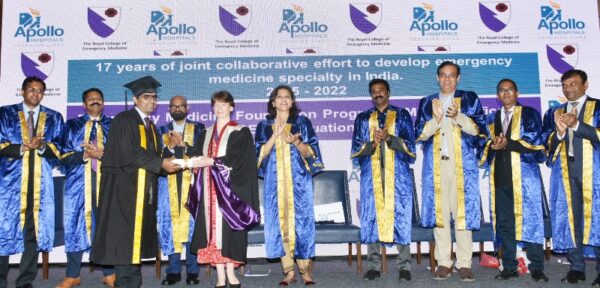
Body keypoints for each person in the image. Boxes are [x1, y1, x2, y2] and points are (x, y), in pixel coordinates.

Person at [91, 76, 180, 288]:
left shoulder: (149, 126)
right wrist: (161, 163)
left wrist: (170, 153)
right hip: (124, 193)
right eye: (146, 97)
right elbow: (128, 153)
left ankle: (133, 284)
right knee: (124, 245)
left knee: (134, 246)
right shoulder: (124, 120)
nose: (152, 101)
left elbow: (154, 157)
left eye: (155, 98)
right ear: (135, 99)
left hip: (141, 195)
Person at [415, 61, 485, 282]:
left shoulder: (470, 99)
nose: (447, 79)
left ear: (458, 78)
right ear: (437, 78)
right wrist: (435, 120)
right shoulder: (427, 102)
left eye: (452, 75)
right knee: (441, 216)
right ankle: (444, 262)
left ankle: (464, 263)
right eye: (443, 75)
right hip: (436, 167)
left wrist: (458, 117)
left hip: (462, 166)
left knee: (463, 215)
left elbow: (479, 131)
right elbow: (419, 135)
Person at [187, 90, 260, 288]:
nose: (219, 109)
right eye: (215, 105)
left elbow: (237, 159)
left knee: (230, 230)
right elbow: (194, 154)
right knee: (211, 232)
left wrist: (210, 161)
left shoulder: (240, 131)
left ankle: (230, 271)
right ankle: (220, 275)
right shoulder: (205, 133)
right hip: (208, 190)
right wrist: (184, 154)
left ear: (231, 107)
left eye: (223, 105)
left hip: (229, 192)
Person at [479, 79, 548, 282]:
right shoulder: (491, 118)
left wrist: (508, 143)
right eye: (501, 90)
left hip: (525, 179)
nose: (506, 93)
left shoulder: (529, 114)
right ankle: (509, 266)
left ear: (517, 93)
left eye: (509, 89)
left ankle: (537, 266)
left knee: (532, 222)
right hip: (500, 179)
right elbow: (482, 146)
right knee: (505, 225)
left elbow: (536, 142)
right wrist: (493, 145)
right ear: (497, 95)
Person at [255, 85, 324, 286]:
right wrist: (274, 136)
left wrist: (296, 143)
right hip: (274, 185)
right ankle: (289, 272)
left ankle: (305, 271)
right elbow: (259, 155)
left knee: (301, 225)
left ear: (292, 101)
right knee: (280, 225)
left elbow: (312, 153)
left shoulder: (302, 123)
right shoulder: (264, 125)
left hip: (299, 184)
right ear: (273, 102)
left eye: (287, 97)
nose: (283, 100)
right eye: (279, 97)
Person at [0, 76, 64, 288]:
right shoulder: (5, 114)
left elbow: (60, 149)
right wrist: (23, 147)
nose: (35, 94)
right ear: (23, 91)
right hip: (10, 186)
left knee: (32, 234)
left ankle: (25, 280)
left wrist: (43, 146)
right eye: (31, 90)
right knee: (4, 232)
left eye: (39, 91)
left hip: (40, 186)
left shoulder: (53, 117)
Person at [351, 79, 415, 282]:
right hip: (372, 176)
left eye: (381, 90)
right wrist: (373, 142)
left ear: (388, 92)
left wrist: (389, 139)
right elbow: (356, 150)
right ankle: (373, 266)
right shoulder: (362, 118)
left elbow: (411, 148)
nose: (377, 93)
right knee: (372, 217)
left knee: (401, 217)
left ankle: (405, 266)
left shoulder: (402, 115)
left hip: (398, 177)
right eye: (373, 91)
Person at [542, 69, 600, 286]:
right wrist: (558, 133)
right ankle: (577, 267)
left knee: (597, 219)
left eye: (574, 84)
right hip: (565, 172)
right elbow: (547, 146)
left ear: (585, 85)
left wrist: (576, 125)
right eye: (565, 85)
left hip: (594, 173)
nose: (569, 89)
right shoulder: (555, 112)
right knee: (570, 219)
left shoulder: (598, 107)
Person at [58, 88, 115, 288]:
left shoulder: (114, 125)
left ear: (104, 102)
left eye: (99, 99)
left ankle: (109, 273)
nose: (95, 101)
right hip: (79, 185)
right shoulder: (71, 126)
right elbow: (61, 156)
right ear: (83, 104)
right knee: (75, 227)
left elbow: (124, 155)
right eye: (91, 99)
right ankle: (72, 274)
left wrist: (104, 153)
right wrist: (86, 155)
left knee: (107, 227)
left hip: (107, 184)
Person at [157, 95, 204, 286]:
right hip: (167, 184)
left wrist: (185, 145)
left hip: (191, 184)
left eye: (181, 106)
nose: (177, 109)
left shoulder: (199, 128)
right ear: (169, 109)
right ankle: (173, 271)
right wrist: (170, 146)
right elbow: (154, 158)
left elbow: (203, 153)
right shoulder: (160, 130)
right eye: (173, 106)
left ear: (187, 107)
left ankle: (193, 271)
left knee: (192, 227)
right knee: (170, 227)